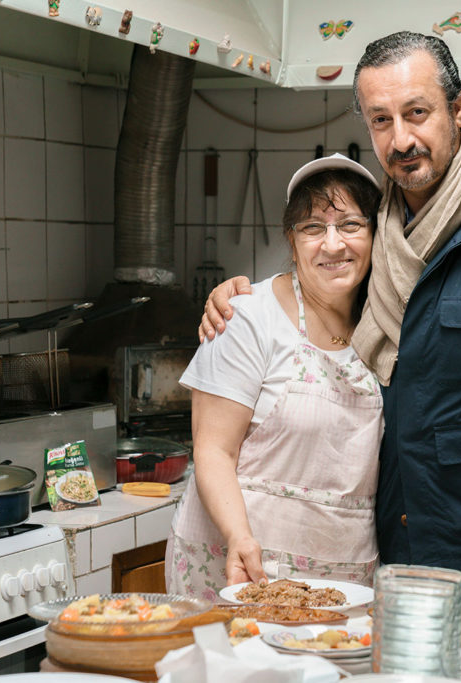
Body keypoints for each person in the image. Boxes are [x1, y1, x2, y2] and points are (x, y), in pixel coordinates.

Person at [200, 31, 461, 579]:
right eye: (381, 120)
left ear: (457, 109)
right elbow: (316, 293)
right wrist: (238, 297)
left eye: (417, 113)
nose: (401, 139)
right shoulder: (377, 239)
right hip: (393, 545)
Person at [165, 154, 384, 600]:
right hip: (240, 567)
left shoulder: (386, 322)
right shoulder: (246, 317)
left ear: (375, 234)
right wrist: (238, 536)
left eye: (350, 225)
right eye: (313, 228)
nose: (333, 244)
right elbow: (213, 450)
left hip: (343, 576)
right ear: (292, 239)